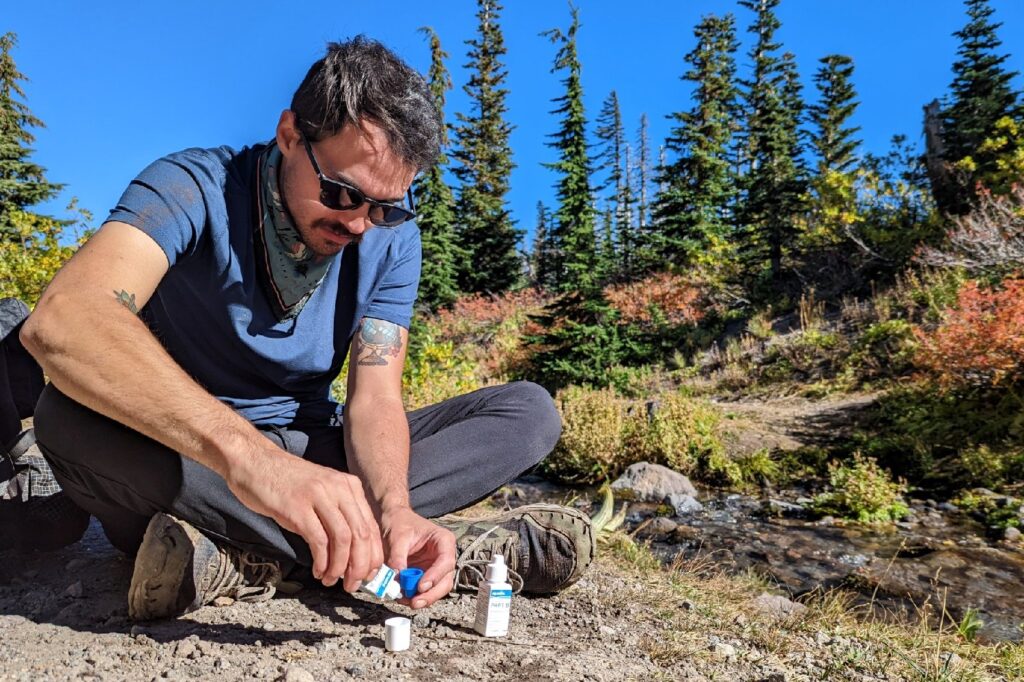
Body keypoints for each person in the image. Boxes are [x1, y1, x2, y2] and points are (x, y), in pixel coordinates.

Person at [18, 36, 595, 621]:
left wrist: (392, 503)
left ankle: (255, 554)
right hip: (188, 455)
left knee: (528, 412)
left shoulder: (392, 241)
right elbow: (65, 319)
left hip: (317, 455)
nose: (361, 225)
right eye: (344, 193)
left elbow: (374, 400)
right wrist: (257, 467)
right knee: (64, 417)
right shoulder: (190, 186)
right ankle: (367, 556)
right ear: (291, 134)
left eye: (386, 207)